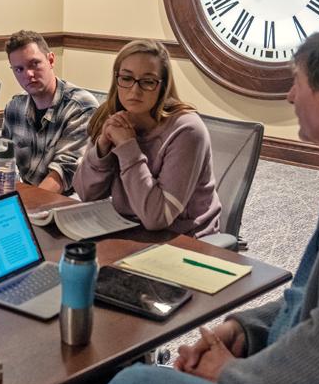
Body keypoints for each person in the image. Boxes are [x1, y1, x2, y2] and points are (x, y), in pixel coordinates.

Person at [95, 24, 319, 384]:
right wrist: (244, 329)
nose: (289, 96)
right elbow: (316, 299)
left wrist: (229, 373)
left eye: (296, 84)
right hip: (313, 382)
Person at [72, 39, 220, 236]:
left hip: (183, 239)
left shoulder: (187, 130)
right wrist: (102, 147)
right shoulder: (111, 117)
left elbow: (157, 218)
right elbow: (86, 194)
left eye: (148, 81)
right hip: (127, 228)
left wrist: (126, 146)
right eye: (126, 78)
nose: (134, 90)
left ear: (163, 86)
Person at [0, 30, 96, 194]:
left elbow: (62, 173)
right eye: (19, 69)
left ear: (51, 60)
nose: (28, 74)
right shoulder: (15, 107)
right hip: (32, 196)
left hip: (69, 202)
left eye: (34, 64)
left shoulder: (80, 108)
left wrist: (27, 206)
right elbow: (1, 155)